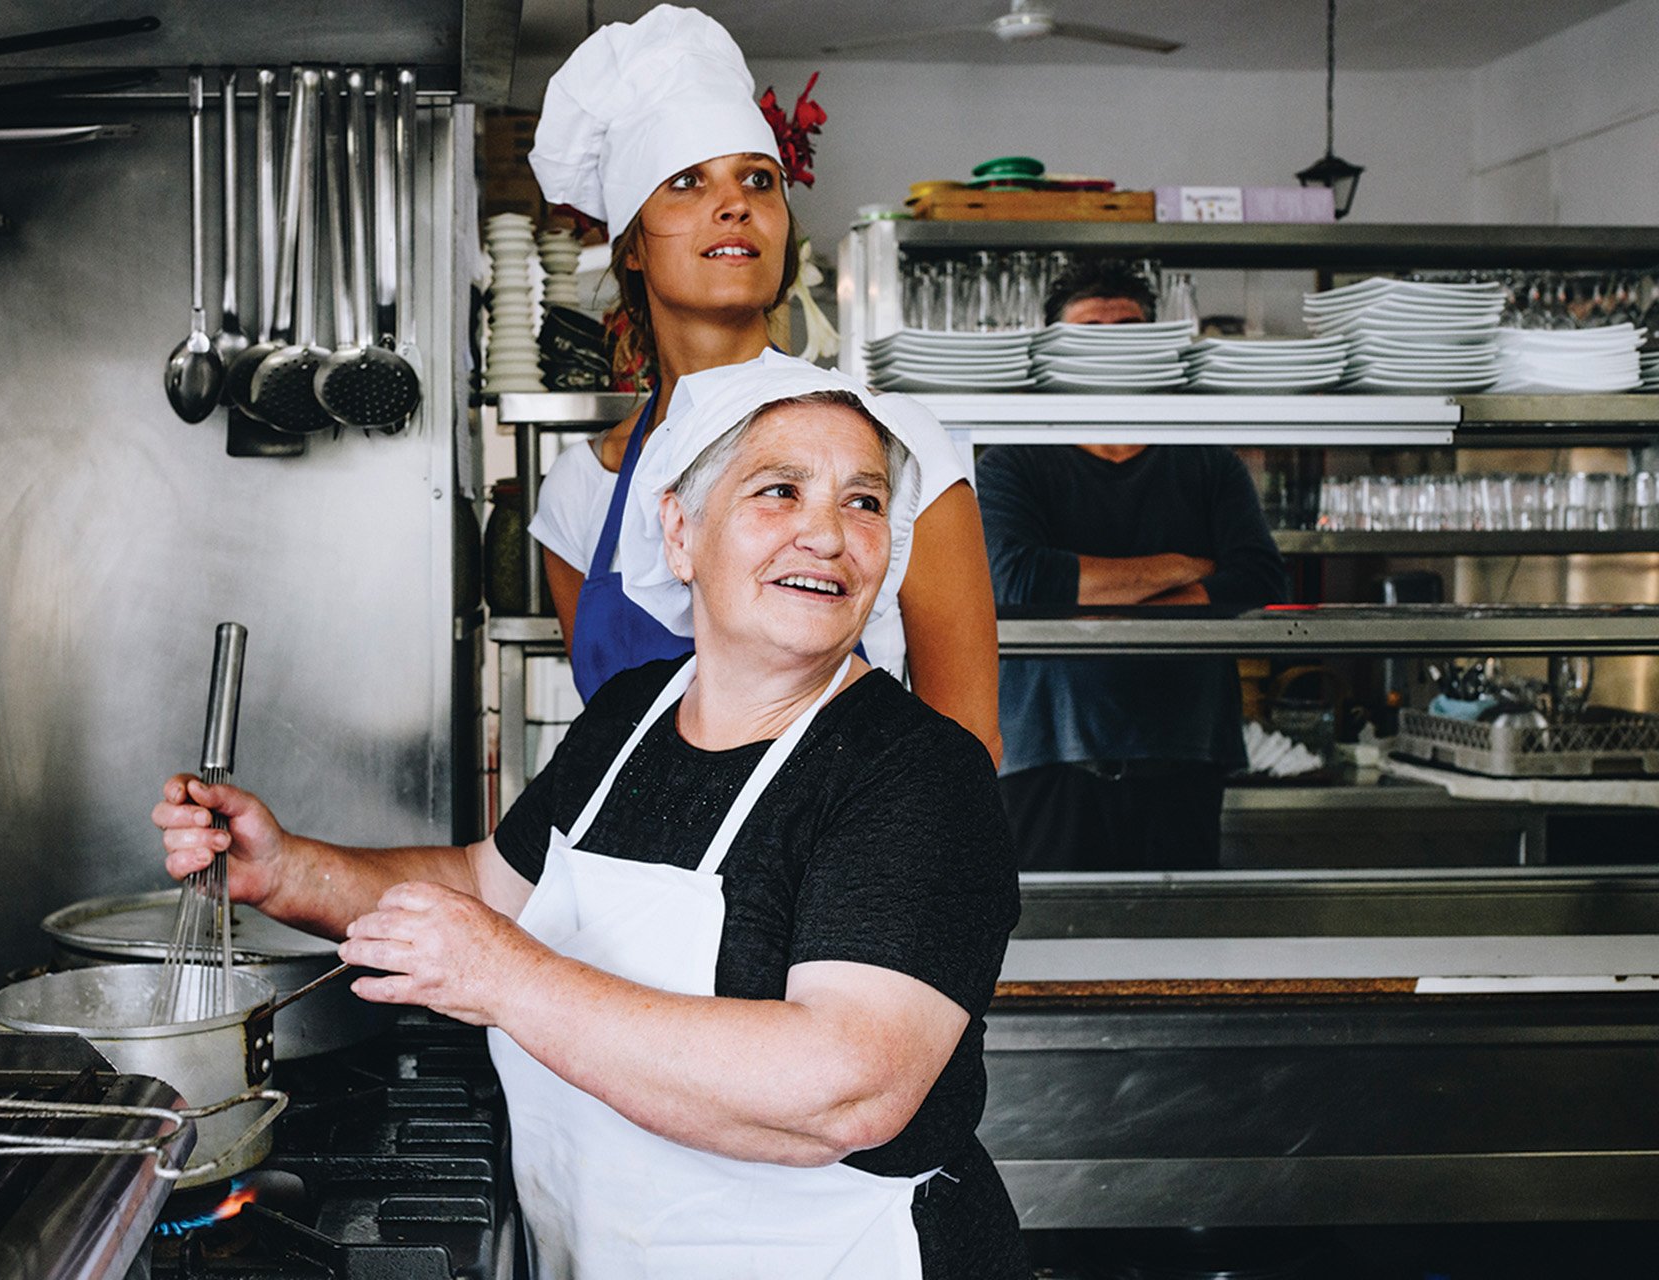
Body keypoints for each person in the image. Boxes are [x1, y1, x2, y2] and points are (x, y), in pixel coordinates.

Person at [156, 359, 1024, 1279]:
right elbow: (489, 887)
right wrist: (286, 870)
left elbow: (848, 1087)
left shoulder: (919, 774)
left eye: (865, 502)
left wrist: (509, 979)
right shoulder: (632, 716)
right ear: (682, 533)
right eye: (780, 491)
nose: (828, 534)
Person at [523, 4, 1001, 759]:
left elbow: (970, 750)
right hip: (636, 877)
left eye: (758, 179)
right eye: (685, 181)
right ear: (634, 247)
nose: (734, 203)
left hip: (843, 873)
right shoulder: (581, 494)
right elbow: (606, 756)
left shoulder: (898, 446)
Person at [979, 260, 1292, 871]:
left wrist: (1100, 596)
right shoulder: (1012, 462)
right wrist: (1186, 564)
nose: (1110, 350)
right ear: (1055, 354)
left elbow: (1257, 574)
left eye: (1128, 333)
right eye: (1088, 335)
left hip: (1184, 752)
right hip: (1046, 755)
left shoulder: (1207, 462)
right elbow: (1018, 581)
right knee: (1049, 956)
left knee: (1178, 955)